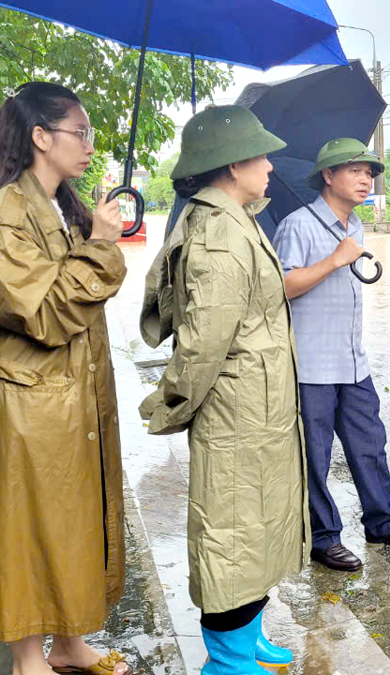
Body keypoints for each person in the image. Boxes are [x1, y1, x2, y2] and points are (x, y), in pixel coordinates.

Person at [0, 82, 130, 675]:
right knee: (30, 528)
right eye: (79, 131)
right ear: (40, 136)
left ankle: (69, 643)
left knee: (73, 521)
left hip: (70, 392)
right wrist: (102, 246)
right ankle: (28, 659)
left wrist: (95, 239)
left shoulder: (59, 205)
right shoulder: (4, 213)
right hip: (33, 403)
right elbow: (46, 313)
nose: (87, 144)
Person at [139, 105, 304, 675]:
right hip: (236, 412)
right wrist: (171, 403)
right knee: (231, 531)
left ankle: (249, 634)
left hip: (258, 411)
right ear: (233, 164)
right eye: (261, 155)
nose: (268, 165)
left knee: (256, 525)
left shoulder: (239, 217)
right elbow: (204, 341)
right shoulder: (217, 231)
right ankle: (229, 661)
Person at [272, 138, 390, 572]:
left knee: (370, 445)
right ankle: (323, 537)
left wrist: (346, 254)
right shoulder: (297, 225)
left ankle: (381, 522)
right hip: (311, 365)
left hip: (352, 361)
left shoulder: (355, 225)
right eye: (355, 170)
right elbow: (281, 287)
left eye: (370, 172)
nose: (366, 179)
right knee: (315, 457)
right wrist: (335, 260)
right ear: (327, 175)